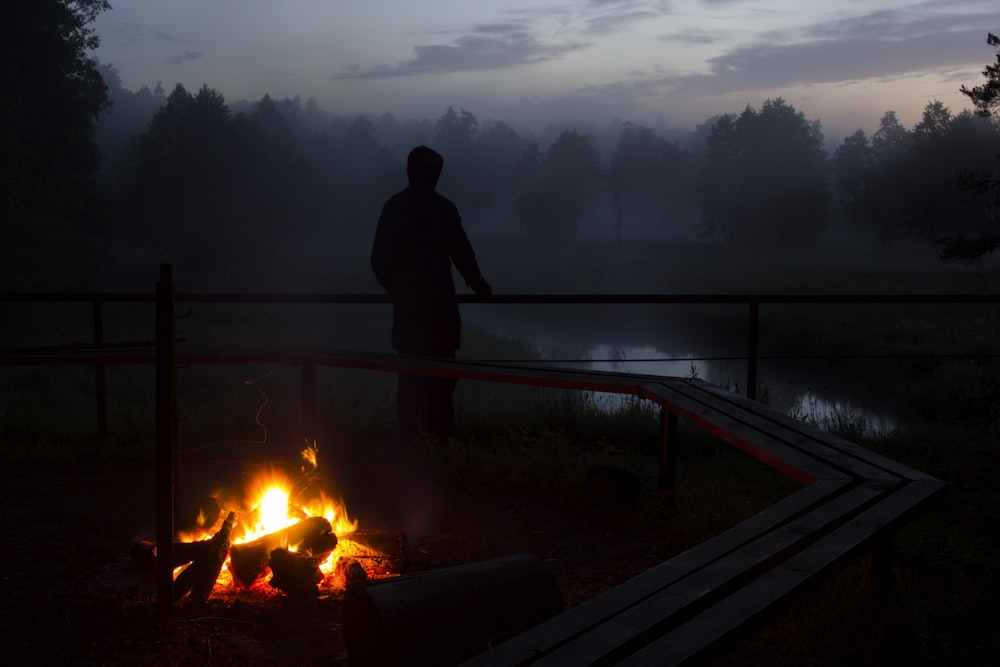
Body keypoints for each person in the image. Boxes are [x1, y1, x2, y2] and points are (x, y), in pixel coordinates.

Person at [371, 145, 492, 445]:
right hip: (440, 311)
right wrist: (479, 286)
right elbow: (462, 254)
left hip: (409, 312)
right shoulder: (443, 209)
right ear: (431, 174)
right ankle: (440, 441)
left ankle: (409, 440)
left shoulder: (393, 207)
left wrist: (398, 290)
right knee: (442, 378)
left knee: (409, 377)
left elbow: (377, 259)